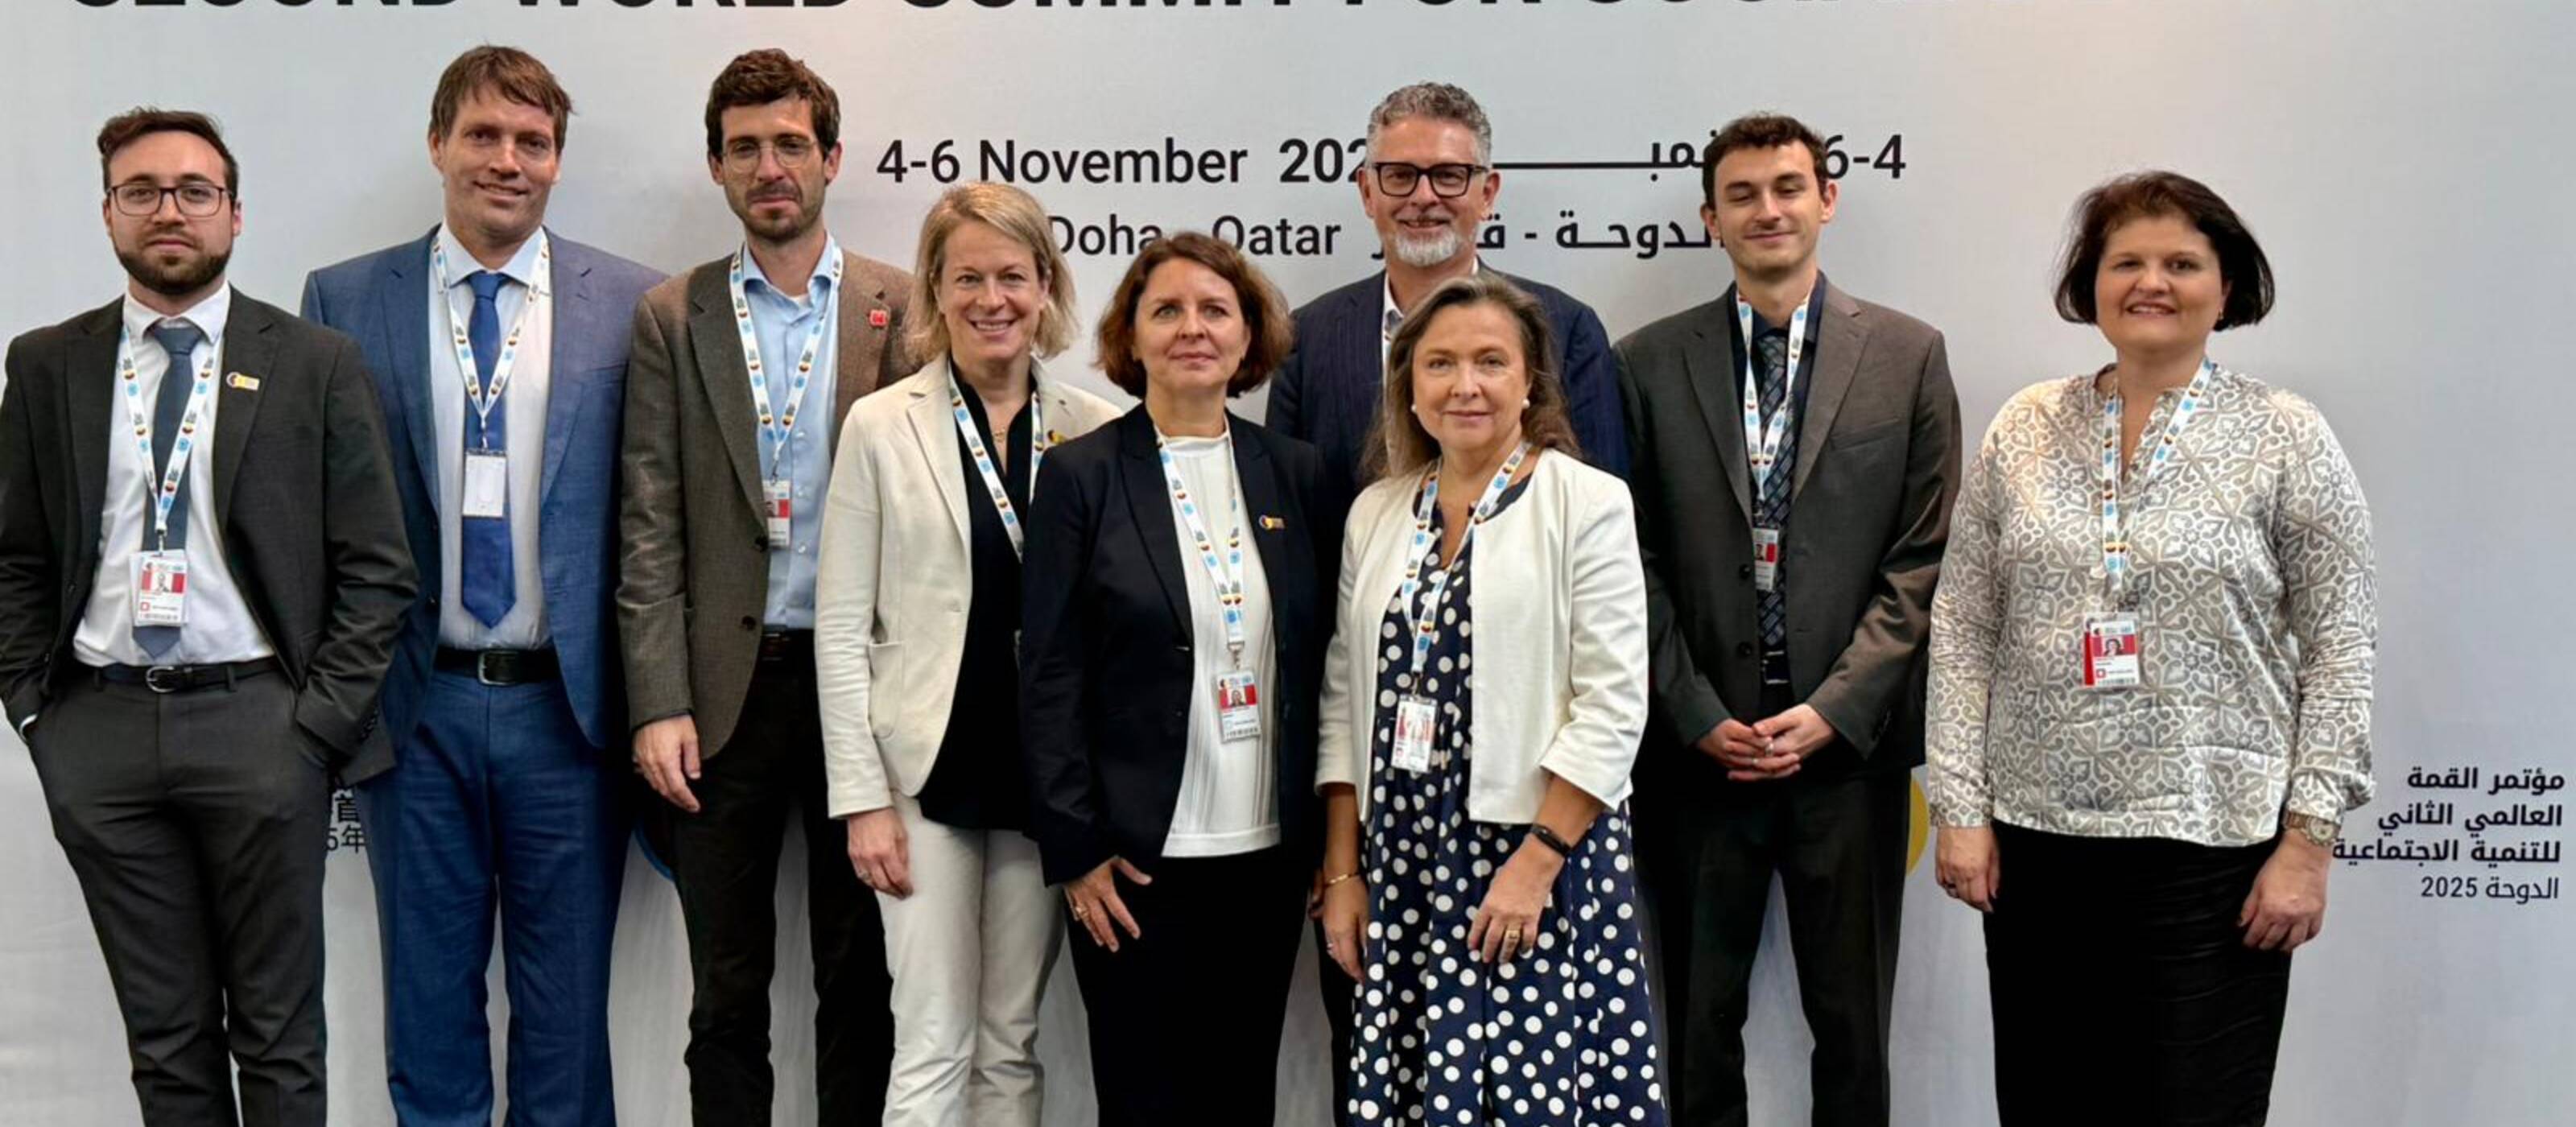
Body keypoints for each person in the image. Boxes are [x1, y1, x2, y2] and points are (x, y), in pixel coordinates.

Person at [1928, 171, 2375, 1126]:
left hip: (2212, 848)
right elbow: (1963, 625)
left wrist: (2308, 842)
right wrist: (1958, 808)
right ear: (2089, 282)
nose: (2150, 281)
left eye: (2181, 262)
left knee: (2191, 1105)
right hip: (2037, 846)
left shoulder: (2284, 433)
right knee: (2051, 1100)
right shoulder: (2024, 424)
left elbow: (2341, 643)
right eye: (2125, 261)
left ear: (2226, 285)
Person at [0, 108, 414, 1127]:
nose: (168, 210)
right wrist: (37, 713)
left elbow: (378, 568)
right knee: (167, 1040)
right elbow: (15, 553)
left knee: (279, 1037)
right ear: (108, 215)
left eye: (193, 190)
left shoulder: (314, 360)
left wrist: (314, 729)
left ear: (235, 214)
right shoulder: (49, 362)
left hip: (261, 727)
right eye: (141, 191)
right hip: (97, 729)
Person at [299, 47, 662, 1126]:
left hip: (570, 710)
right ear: (437, 145)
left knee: (566, 1020)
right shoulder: (346, 297)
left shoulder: (633, 303)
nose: (508, 161)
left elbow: (653, 518)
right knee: (428, 1008)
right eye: (484, 136)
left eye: (533, 142)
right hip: (416, 710)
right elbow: (313, 510)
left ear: (558, 160)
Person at [1615, 112, 1959, 1127]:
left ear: (1825, 199)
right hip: (1695, 751)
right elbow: (1624, 559)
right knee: (1693, 1023)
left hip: (1848, 752)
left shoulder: (1906, 353)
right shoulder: (1644, 361)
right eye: (1742, 195)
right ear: (1708, 218)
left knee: (1853, 1028)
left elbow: (1922, 558)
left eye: (1787, 187)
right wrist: (1686, 708)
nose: (1767, 209)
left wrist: (1834, 707)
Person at [618, 49, 913, 1126]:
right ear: (718, 169)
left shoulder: (903, 304)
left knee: (862, 983)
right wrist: (657, 700)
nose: (770, 166)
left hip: (860, 699)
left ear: (831, 159)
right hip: (718, 701)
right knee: (726, 994)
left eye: (791, 144)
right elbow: (646, 523)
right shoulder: (672, 313)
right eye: (745, 148)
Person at [1316, 273, 1662, 1126]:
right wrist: (1342, 869)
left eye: (1487, 361)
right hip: (1402, 862)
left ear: (1529, 380)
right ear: (1407, 383)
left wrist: (1536, 862)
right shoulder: (1376, 510)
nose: (1462, 384)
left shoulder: (1585, 501)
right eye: (1437, 363)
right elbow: (1342, 695)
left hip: (1534, 854)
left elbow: (1613, 699)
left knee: (1533, 1095)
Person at [815, 181, 1121, 1127]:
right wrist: (861, 797)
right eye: (967, 278)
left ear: (1046, 288)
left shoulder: (1099, 426)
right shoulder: (881, 423)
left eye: (1013, 277)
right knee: (932, 1036)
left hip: (1045, 778)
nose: (992, 299)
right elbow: (839, 622)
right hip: (924, 774)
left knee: (1009, 1036)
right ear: (933, 293)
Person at [1018, 232, 1340, 1125]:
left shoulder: (1299, 471)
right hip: (1132, 861)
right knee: (1141, 1098)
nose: (1190, 328)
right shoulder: (1079, 474)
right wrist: (1075, 849)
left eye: (1214, 310)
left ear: (1248, 339)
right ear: (1132, 336)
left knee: (1241, 1092)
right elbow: (1046, 671)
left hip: (1267, 855)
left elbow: (1323, 664)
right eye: (1166, 309)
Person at [1269, 81, 1627, 493]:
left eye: (1448, 176)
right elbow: (1286, 511)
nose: (1424, 196)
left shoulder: (1568, 328)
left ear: (1487, 194)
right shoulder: (1309, 337)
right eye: (1400, 176)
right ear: (1368, 193)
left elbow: (1601, 503)